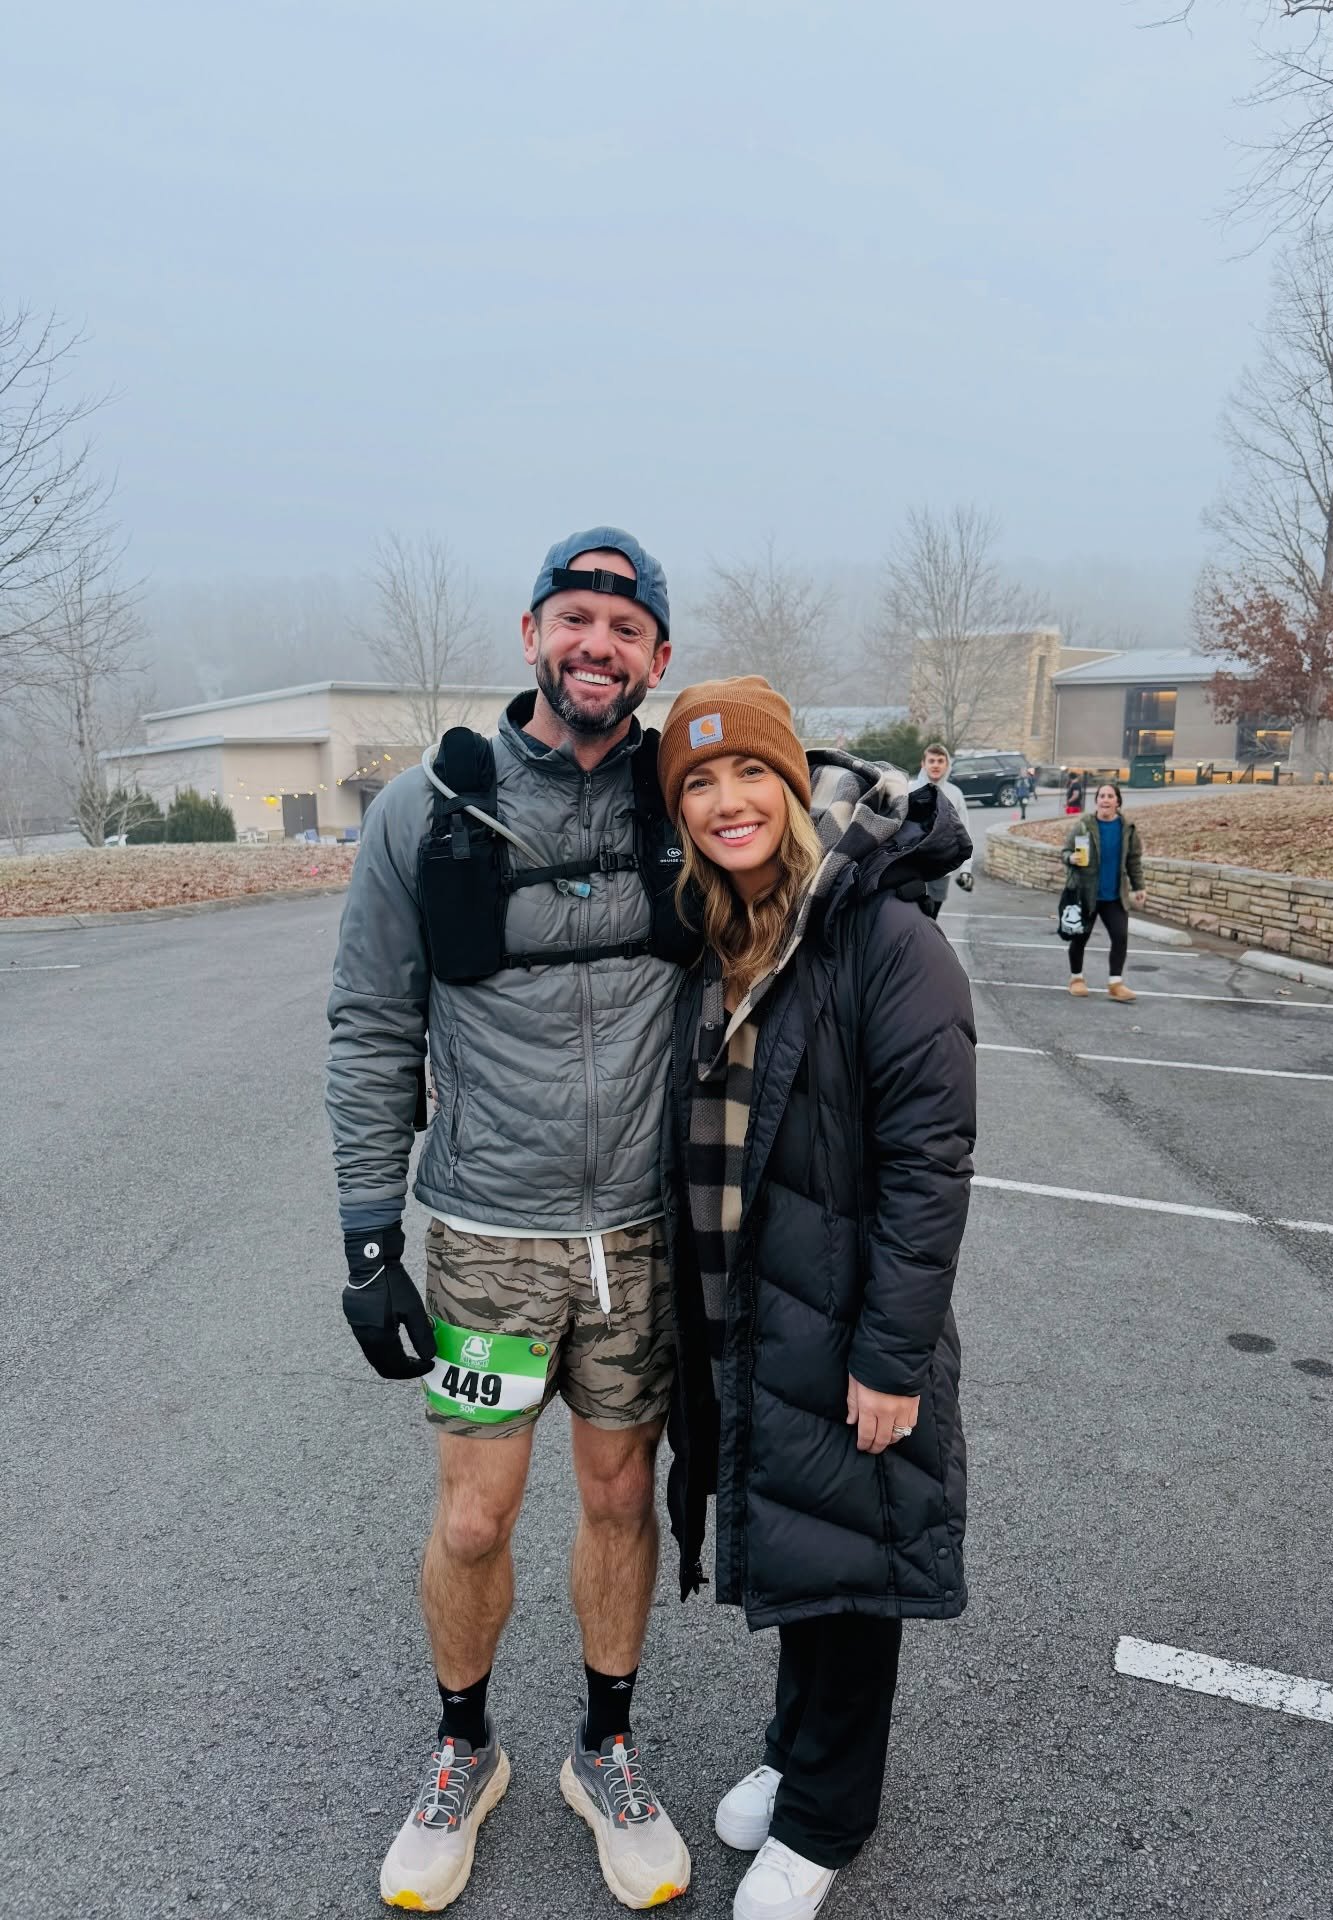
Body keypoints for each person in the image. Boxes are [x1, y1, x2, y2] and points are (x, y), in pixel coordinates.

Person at [326, 528, 694, 1913]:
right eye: (575, 616)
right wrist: (370, 1232)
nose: (597, 643)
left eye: (626, 624)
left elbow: (790, 903)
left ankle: (605, 1748)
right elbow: (370, 1024)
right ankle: (462, 1751)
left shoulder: (685, 796)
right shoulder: (424, 810)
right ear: (530, 633)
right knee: (475, 1518)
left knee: (619, 1495)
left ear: (660, 658)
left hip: (645, 1241)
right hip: (492, 1234)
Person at [655, 677, 976, 1920]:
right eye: (697, 782)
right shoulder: (729, 932)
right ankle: (796, 1757)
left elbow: (927, 1165)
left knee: (852, 1571)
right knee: (804, 1544)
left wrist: (890, 1359)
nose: (725, 801)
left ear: (795, 787)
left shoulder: (885, 938)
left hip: (848, 1319)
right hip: (758, 1307)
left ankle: (828, 1819)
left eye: (748, 775)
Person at [1061, 779, 1147, 1003]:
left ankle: (1115, 983)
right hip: (1086, 894)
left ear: (1118, 801)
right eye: (1102, 796)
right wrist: (1070, 858)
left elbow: (1133, 861)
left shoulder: (1127, 829)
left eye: (1110, 796)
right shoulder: (1084, 825)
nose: (1105, 800)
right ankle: (1076, 978)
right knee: (1080, 938)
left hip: (1114, 895)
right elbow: (1065, 851)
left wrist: (1139, 887)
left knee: (1120, 937)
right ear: (1096, 801)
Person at [908, 741, 974, 914]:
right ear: (923, 764)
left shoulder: (955, 794)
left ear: (947, 764)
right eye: (931, 761)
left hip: (940, 869)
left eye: (940, 761)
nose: (935, 765)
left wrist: (966, 869)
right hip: (912, 868)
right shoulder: (909, 789)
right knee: (911, 916)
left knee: (932, 916)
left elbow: (964, 833)